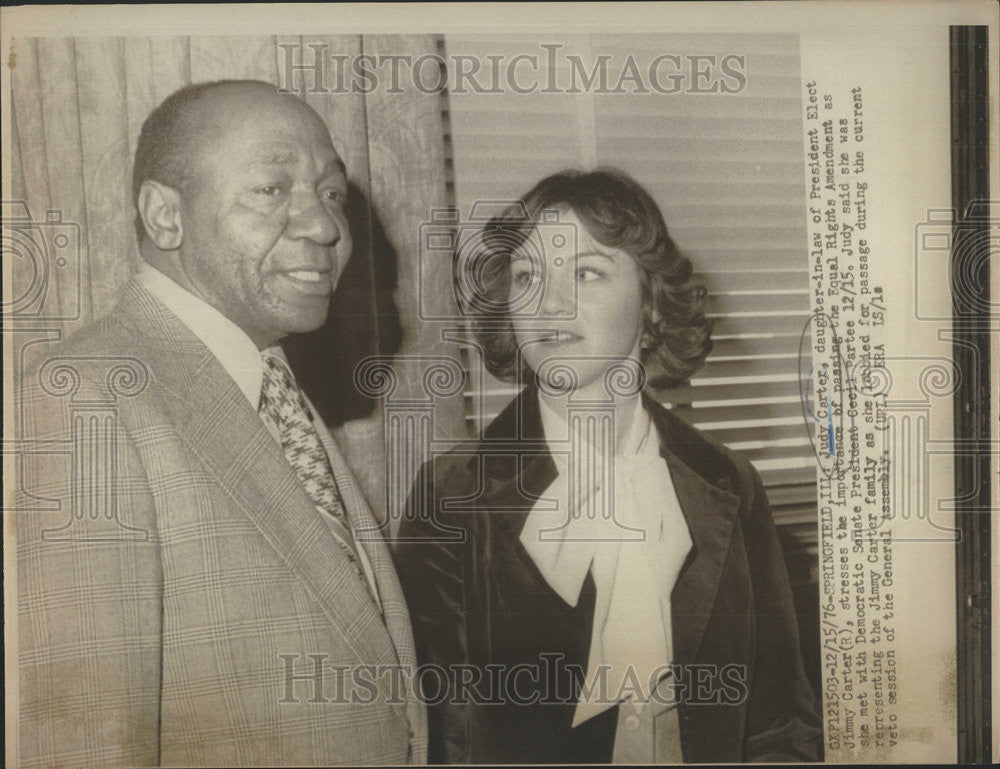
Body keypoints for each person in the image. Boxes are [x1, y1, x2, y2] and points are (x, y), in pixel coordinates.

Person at [15, 80, 426, 766]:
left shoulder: (270, 380)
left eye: (332, 193)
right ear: (164, 216)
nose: (325, 225)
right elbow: (81, 739)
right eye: (271, 188)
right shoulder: (81, 399)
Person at [393, 168, 822, 764]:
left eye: (587, 271)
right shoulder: (451, 495)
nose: (549, 302)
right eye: (527, 275)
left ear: (650, 304)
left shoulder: (727, 482)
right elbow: (440, 737)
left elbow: (777, 722)